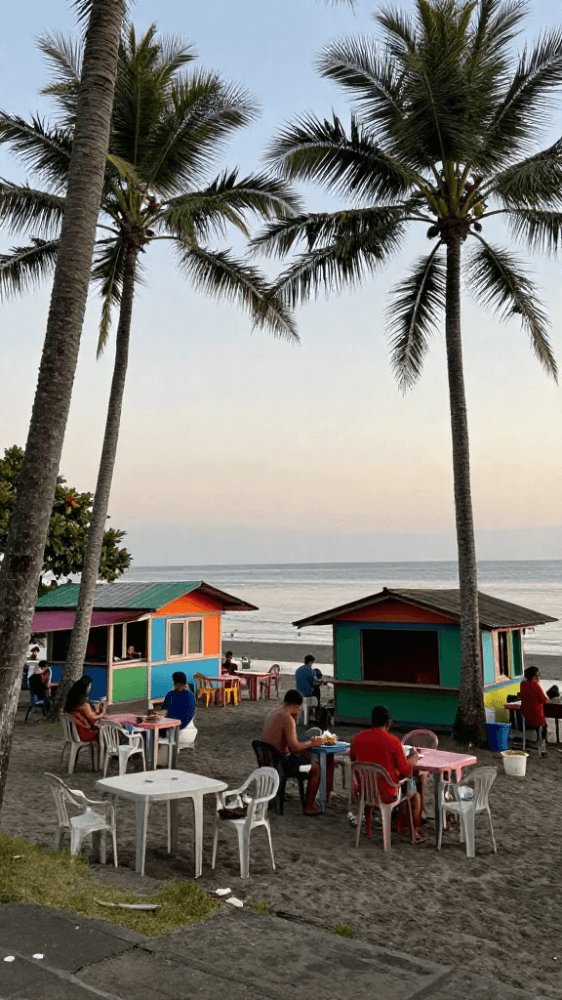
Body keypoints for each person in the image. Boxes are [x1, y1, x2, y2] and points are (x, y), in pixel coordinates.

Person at [349, 704, 423, 842]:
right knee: (415, 792)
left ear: (371, 721)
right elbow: (406, 772)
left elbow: (353, 761)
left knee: (401, 783)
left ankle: (372, 829)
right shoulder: (393, 741)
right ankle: (416, 832)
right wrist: (411, 762)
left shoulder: (357, 738)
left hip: (366, 791)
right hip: (388, 793)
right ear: (389, 723)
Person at [261, 689, 333, 816]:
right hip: (282, 763)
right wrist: (311, 744)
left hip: (268, 759)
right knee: (316, 768)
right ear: (296, 706)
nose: (299, 711)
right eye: (299, 709)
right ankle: (309, 807)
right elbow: (294, 748)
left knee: (310, 743)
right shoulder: (287, 718)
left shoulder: (274, 712)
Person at [64, 675, 106, 742]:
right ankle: (105, 751)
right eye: (89, 686)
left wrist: (96, 711)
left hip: (74, 733)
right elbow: (92, 720)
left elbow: (88, 715)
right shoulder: (83, 705)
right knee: (108, 732)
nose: (90, 688)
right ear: (85, 688)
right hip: (84, 734)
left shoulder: (73, 702)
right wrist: (102, 714)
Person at [519, 666, 548, 755]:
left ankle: (535, 742)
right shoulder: (535, 686)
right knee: (544, 727)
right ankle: (542, 747)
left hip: (525, 715)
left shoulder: (523, 684)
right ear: (535, 676)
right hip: (537, 717)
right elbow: (544, 700)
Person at [163, 671, 196, 742]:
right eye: (174, 683)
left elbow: (189, 714)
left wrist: (177, 725)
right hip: (169, 722)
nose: (175, 685)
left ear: (183, 684)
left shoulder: (189, 696)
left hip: (180, 724)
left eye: (177, 683)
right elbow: (164, 708)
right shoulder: (170, 694)